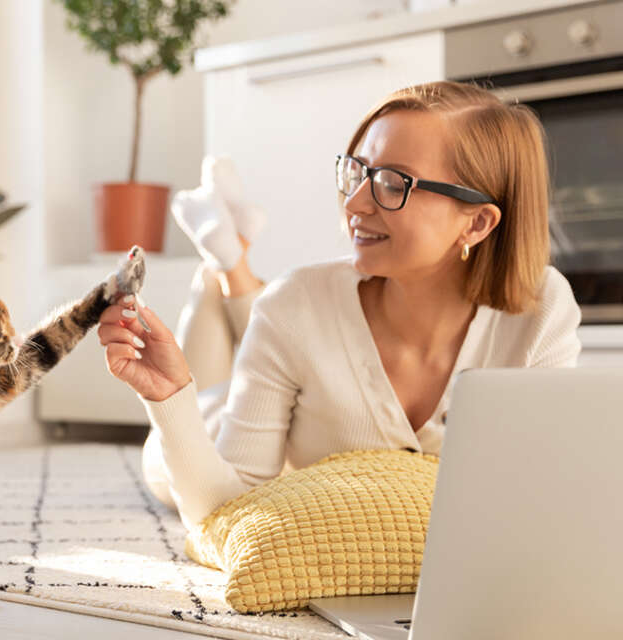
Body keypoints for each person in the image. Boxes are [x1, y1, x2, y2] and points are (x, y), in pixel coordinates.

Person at [97, 81, 582, 532]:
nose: (354, 203)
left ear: (476, 223)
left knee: (277, 315)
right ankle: (220, 268)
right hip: (214, 423)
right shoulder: (294, 301)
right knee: (178, 440)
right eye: (356, 172)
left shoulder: (540, 311)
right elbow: (225, 510)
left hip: (285, 346)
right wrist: (168, 396)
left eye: (394, 183)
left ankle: (228, 257)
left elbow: (538, 498)